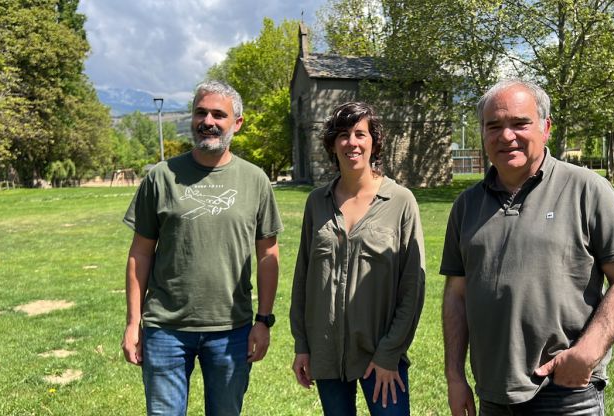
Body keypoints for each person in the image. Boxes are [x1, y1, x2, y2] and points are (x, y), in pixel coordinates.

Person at [440, 79, 614, 415]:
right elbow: (456, 295)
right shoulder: (467, 205)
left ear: (545, 127)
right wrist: (454, 375)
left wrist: (586, 353)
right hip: (492, 393)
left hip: (565, 392)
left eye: (520, 123)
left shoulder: (587, 189)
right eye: (493, 126)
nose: (506, 136)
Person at [121, 80, 283, 416]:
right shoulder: (161, 177)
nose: (207, 121)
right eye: (200, 112)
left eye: (218, 114)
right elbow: (140, 253)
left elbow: (268, 254)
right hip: (165, 328)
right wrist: (133, 321)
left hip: (231, 330)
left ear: (236, 123)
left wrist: (263, 320)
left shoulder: (255, 180)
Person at [290, 102, 426, 415]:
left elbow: (413, 286)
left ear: (374, 142)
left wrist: (390, 353)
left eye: (360, 134)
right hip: (327, 354)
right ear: (331, 144)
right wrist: (302, 345)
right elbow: (303, 279)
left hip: (380, 356)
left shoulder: (400, 202)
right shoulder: (316, 203)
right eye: (342, 135)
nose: (351, 142)